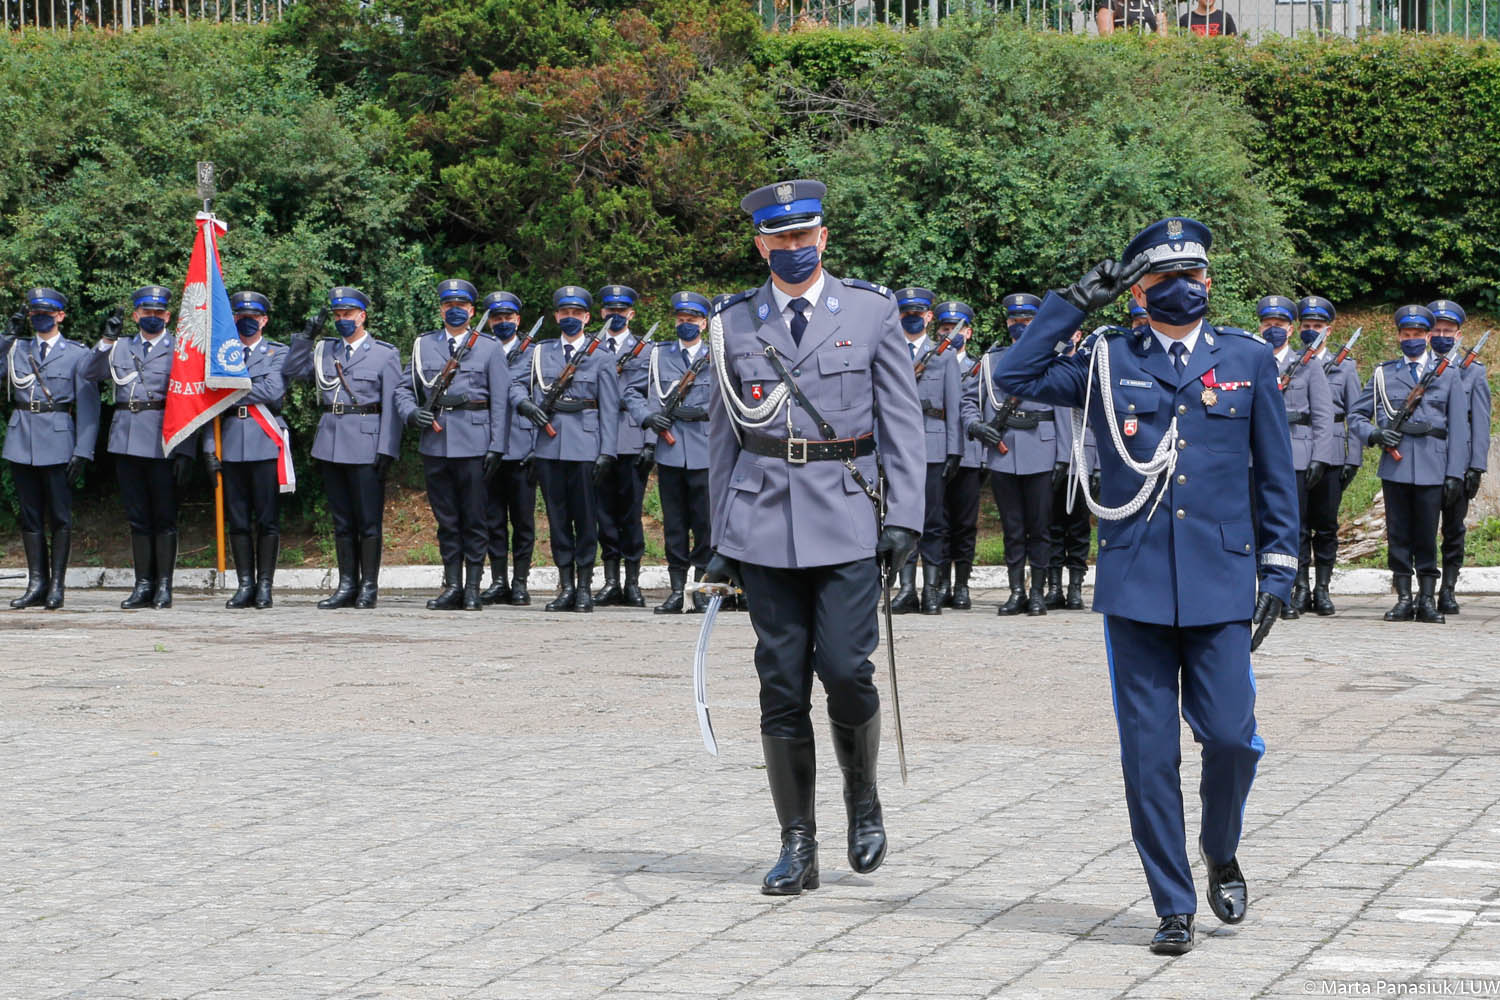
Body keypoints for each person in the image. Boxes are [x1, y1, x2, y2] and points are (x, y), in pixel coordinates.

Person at [995, 217, 1299, 955]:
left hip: (1222, 579)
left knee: (1232, 738)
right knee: (1148, 753)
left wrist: (1281, 564)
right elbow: (1013, 376)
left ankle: (1219, 846)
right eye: (1163, 279)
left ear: (1210, 280)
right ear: (1137, 290)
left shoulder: (1247, 359)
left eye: (1192, 276)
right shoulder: (1105, 360)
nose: (1182, 289)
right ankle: (1173, 903)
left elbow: (1275, 466)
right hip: (1134, 583)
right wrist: (1072, 303)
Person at [703, 178, 925, 896]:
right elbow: (722, 437)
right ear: (760, 243)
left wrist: (905, 517)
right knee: (779, 681)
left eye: (804, 237)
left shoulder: (869, 311)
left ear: (823, 238)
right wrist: (720, 534)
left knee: (844, 668)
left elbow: (902, 421)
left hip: (846, 512)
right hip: (762, 519)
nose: (793, 249)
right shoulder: (731, 323)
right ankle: (797, 843)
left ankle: (863, 798)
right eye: (779, 238)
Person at [396, 278, 511, 611]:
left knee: (475, 517)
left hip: (475, 443)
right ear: (441, 310)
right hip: (435, 441)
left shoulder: (489, 347)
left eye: (461, 307)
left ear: (472, 311)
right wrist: (410, 413)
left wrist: (497, 446)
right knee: (446, 519)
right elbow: (404, 389)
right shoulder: (423, 345)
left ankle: (474, 586)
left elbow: (501, 401)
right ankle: (453, 586)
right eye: (449, 306)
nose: (455, 311)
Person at [284, 286, 402, 609]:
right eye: (337, 315)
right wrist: (306, 337)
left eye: (347, 315)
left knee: (368, 522)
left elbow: (392, 406)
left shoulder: (384, 354)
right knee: (342, 522)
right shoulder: (325, 351)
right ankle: (347, 584)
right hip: (331, 444)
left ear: (362, 316)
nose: (341, 320)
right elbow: (293, 370)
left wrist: (387, 448)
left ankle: (368, 587)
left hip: (366, 444)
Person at [1350, 306, 1470, 623]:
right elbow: (1356, 416)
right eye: (1407, 334)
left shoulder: (1448, 374)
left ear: (1428, 336)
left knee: (1428, 535)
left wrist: (1455, 473)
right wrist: (1374, 434)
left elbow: (1459, 429)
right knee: (1399, 535)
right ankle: (1403, 598)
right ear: (1399, 336)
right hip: (1396, 466)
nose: (1412, 339)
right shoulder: (1383, 374)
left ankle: (1427, 599)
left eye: (1418, 334)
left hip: (1434, 465)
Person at [86, 285, 192, 610]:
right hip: (127, 438)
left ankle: (163, 586)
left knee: (164, 517)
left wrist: (186, 449)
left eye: (159, 313)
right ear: (136, 315)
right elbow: (88, 373)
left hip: (163, 439)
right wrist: (105, 340)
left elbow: (190, 400)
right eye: (147, 313)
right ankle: (142, 584)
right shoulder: (119, 348)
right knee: (138, 518)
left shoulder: (181, 350)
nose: (153, 318)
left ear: (168, 316)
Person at [961, 293, 1067, 617]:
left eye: (1026, 319)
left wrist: (1064, 455)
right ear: (1007, 322)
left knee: (1041, 527)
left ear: (1035, 322)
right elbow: (969, 400)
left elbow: (1063, 407)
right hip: (1004, 451)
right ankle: (1016, 591)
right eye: (1014, 319)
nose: (1019, 324)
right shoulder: (992, 361)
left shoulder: (1050, 359)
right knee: (1013, 527)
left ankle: (1038, 593)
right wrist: (976, 426)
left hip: (1042, 447)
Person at [516, 286, 620, 613]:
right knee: (557, 518)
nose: (570, 318)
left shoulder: (601, 356)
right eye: (565, 313)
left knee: (586, 519)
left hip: (586, 445)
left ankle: (586, 587)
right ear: (556, 316)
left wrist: (608, 451)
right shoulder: (539, 352)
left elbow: (609, 407)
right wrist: (525, 404)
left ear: (587, 317)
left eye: (577, 313)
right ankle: (566, 586)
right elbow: (514, 382)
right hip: (548, 446)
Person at [1, 287, 100, 610]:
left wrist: (83, 450)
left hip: (58, 438)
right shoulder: (16, 348)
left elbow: (89, 406)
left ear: (61, 315)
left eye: (46, 313)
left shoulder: (76, 353)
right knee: (29, 518)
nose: (40, 318)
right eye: (35, 313)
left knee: (59, 516)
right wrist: (6, 336)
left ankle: (57, 585)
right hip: (21, 438)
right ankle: (36, 584)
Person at [201, 291, 290, 610]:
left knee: (267, 520)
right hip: (229, 443)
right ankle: (245, 585)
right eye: (240, 316)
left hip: (263, 441)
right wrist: (210, 449)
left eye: (253, 316)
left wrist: (228, 391)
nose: (246, 321)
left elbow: (274, 389)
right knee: (237, 521)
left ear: (264, 320)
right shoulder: (219, 354)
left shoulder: (277, 352)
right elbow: (207, 405)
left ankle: (265, 585)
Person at [1257, 295, 1337, 621]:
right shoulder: (1251, 360)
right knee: (1258, 527)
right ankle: (1264, 591)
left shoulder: (1309, 365)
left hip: (1297, 456)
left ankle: (1288, 591)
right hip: (1258, 456)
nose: (1273, 329)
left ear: (1290, 329)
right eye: (1268, 324)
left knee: (1292, 528)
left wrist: (1321, 456)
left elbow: (1323, 416)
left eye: (1279, 324)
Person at [638, 291, 715, 614]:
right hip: (670, 452)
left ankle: (699, 589)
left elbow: (734, 395)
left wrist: (704, 411)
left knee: (705, 524)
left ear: (704, 323)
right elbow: (631, 391)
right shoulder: (659, 355)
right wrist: (646, 415)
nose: (686, 324)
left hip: (706, 450)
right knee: (674, 525)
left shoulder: (716, 356)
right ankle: (676, 589)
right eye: (681, 319)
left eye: (692, 320)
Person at [891, 286, 961, 615]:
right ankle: (906, 588)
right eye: (906, 314)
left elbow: (954, 406)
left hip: (933, 446)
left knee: (933, 521)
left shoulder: (944, 356)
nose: (912, 319)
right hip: (897, 448)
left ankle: (930, 589)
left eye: (918, 314)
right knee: (902, 520)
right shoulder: (888, 352)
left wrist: (954, 450)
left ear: (929, 317)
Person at [1299, 296, 1361, 617]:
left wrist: (1355, 458)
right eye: (1306, 326)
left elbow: (1356, 413)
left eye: (1317, 326)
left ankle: (1322, 590)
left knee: (1325, 525)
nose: (1311, 331)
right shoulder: (1292, 363)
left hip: (1334, 453)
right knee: (1297, 524)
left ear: (1329, 328)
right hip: (1297, 451)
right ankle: (1299, 589)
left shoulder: (1345, 366)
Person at [1428, 300, 1489, 615]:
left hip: (1459, 462)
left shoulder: (1473, 372)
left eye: (1447, 330)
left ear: (1459, 333)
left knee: (1454, 530)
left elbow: (1480, 423)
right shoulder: (1417, 367)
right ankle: (1421, 591)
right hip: (1425, 460)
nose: (1441, 335)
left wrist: (1476, 466)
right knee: (1421, 530)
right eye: (1436, 330)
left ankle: (1448, 590)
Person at [592, 283, 651, 608]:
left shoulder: (646, 350)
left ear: (631, 313)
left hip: (631, 437)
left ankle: (632, 582)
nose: (615, 315)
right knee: (603, 512)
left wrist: (650, 441)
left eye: (620, 311)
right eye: (609, 310)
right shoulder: (590, 348)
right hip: (597, 439)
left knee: (631, 512)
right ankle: (610, 580)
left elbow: (654, 397)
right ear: (602, 313)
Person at [478, 290, 537, 606]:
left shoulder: (535, 353)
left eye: (508, 317)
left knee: (524, 521)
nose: (502, 323)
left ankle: (520, 582)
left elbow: (544, 399)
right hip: (487, 446)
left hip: (522, 444)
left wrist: (538, 444)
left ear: (518, 319)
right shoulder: (479, 351)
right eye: (496, 318)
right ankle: (498, 580)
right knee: (492, 519)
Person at [1049, 327, 1102, 611]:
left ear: (1079, 335)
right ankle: (1054, 585)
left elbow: (1099, 421)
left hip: (1083, 456)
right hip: (1053, 459)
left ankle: (1075, 587)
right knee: (1052, 525)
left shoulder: (1089, 367)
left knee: (1080, 527)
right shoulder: (1049, 367)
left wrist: (1096, 466)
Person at [936, 301, 982, 610]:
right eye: (944, 329)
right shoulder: (932, 363)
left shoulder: (980, 367)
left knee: (965, 522)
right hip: (939, 450)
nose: (949, 334)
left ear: (968, 332)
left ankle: (962, 584)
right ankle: (940, 583)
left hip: (969, 453)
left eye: (955, 329)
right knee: (938, 520)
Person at [1096, 0, 1166, 35]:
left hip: (1152, 55)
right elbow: (1108, 39)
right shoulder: (1111, 3)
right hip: (1125, 56)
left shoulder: (1151, 3)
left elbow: (1163, 37)